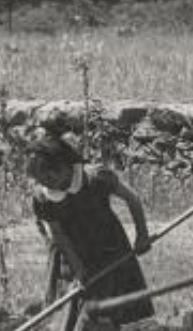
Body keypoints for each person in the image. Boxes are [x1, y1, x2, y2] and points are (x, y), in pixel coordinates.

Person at [24, 136, 156, 331]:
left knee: (112, 306)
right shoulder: (43, 198)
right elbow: (58, 236)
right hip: (71, 255)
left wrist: (142, 235)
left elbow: (132, 199)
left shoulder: (96, 178)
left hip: (109, 250)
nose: (48, 184)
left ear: (66, 165)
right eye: (41, 180)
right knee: (71, 311)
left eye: (50, 177)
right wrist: (78, 271)